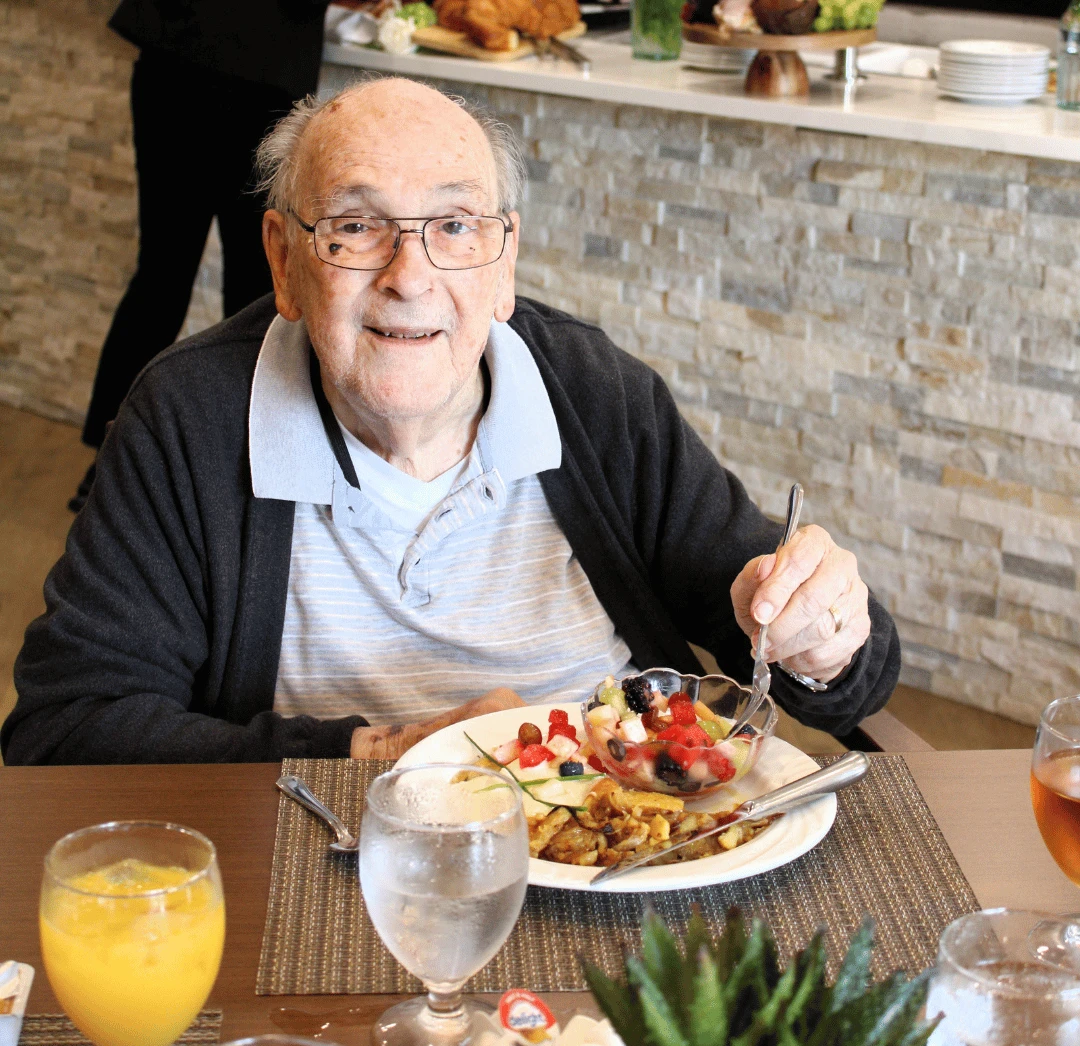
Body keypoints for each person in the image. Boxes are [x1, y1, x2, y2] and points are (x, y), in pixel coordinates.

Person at [2, 77, 900, 765]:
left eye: (456, 226)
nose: (410, 276)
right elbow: (64, 728)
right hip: (328, 875)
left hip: (625, 860)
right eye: (356, 226)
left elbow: (831, 660)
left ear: (504, 262)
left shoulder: (595, 394)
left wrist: (821, 635)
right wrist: (381, 754)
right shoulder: (188, 420)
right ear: (283, 261)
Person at [70, 0, 331, 512]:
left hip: (176, 55)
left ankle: (107, 463)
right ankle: (247, 471)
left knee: (161, 276)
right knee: (253, 290)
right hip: (260, 71)